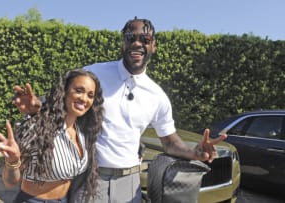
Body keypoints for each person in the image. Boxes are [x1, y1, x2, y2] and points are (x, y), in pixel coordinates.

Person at [12, 17, 227, 202]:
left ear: (154, 46)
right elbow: (66, 103)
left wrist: (195, 152)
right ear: (122, 44)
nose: (137, 43)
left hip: (129, 183)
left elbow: (169, 142)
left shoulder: (157, 96)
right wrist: (38, 107)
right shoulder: (94, 74)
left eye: (145, 39)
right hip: (90, 179)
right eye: (130, 38)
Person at [0, 69, 104, 203]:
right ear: (64, 92)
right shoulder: (38, 128)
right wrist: (12, 162)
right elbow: (10, 182)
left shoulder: (82, 132)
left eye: (90, 95)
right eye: (78, 90)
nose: (84, 99)